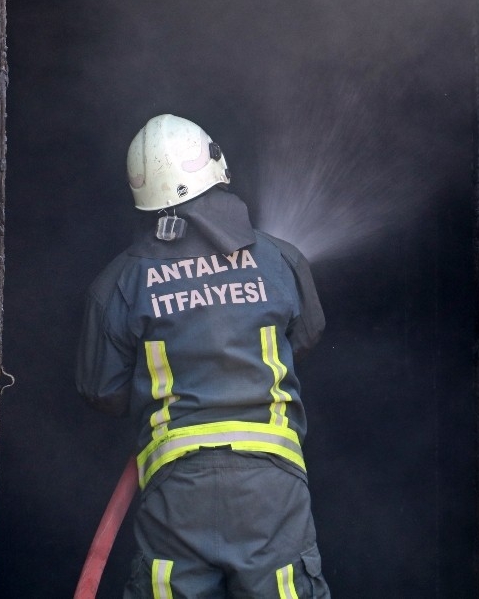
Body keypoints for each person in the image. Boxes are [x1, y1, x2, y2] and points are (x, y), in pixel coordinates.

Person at [75, 114, 331, 598]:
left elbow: (101, 390)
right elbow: (307, 335)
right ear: (216, 164)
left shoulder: (122, 282)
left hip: (177, 492)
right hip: (270, 486)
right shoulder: (281, 259)